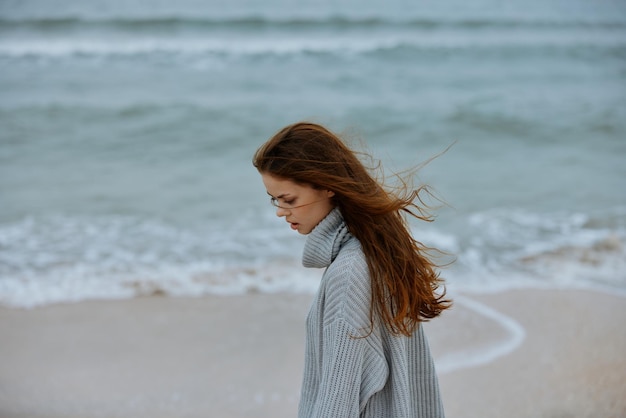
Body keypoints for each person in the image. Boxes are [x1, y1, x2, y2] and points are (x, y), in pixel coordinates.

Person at [253, 122, 450, 418]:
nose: (281, 211)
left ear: (327, 185)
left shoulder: (350, 272)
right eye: (275, 200)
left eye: (288, 199)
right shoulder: (377, 250)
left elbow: (338, 399)